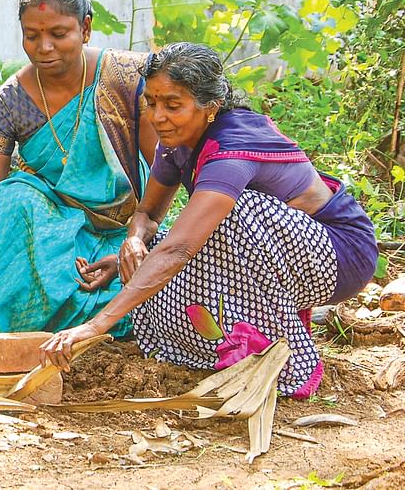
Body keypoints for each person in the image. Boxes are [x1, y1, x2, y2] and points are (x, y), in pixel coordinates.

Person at [41, 42, 377, 398]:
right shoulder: (176, 141)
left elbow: (183, 247)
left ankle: (282, 359)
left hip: (341, 256)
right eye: (152, 103)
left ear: (211, 108)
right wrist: (136, 242)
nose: (158, 117)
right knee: (161, 245)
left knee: (232, 213)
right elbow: (148, 213)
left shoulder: (231, 149)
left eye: (173, 105)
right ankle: (213, 351)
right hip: (281, 253)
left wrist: (96, 325)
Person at [0, 0, 157, 338]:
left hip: (128, 235)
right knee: (12, 196)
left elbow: (166, 175)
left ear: (86, 28)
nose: (43, 47)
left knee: (162, 292)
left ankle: (100, 317)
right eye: (32, 36)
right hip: (54, 241)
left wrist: (140, 241)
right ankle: (28, 330)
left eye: (58, 34)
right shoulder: (11, 104)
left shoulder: (127, 78)